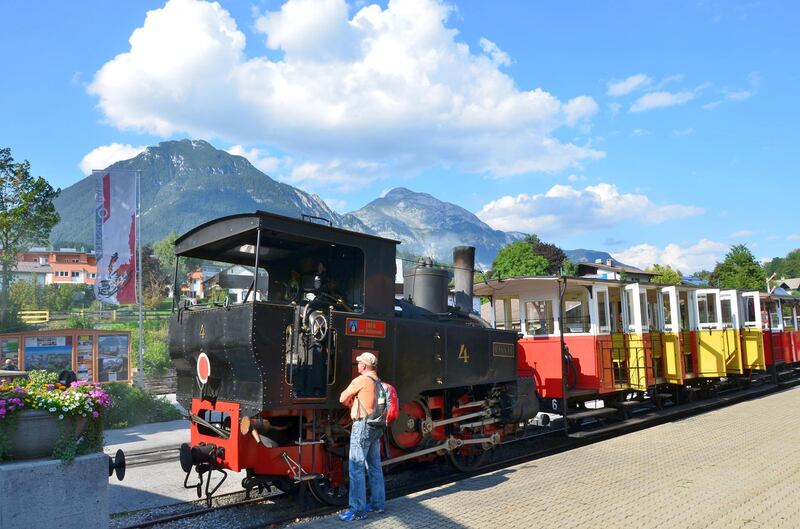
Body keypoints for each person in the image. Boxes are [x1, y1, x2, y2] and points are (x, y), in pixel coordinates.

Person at [338, 352, 386, 521]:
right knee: (374, 466)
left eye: (359, 363)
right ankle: (378, 505)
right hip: (376, 427)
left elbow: (342, 397)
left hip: (362, 427)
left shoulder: (361, 380)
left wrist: (351, 400)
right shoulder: (378, 382)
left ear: (364, 366)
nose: (357, 365)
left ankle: (358, 510)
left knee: (356, 468)